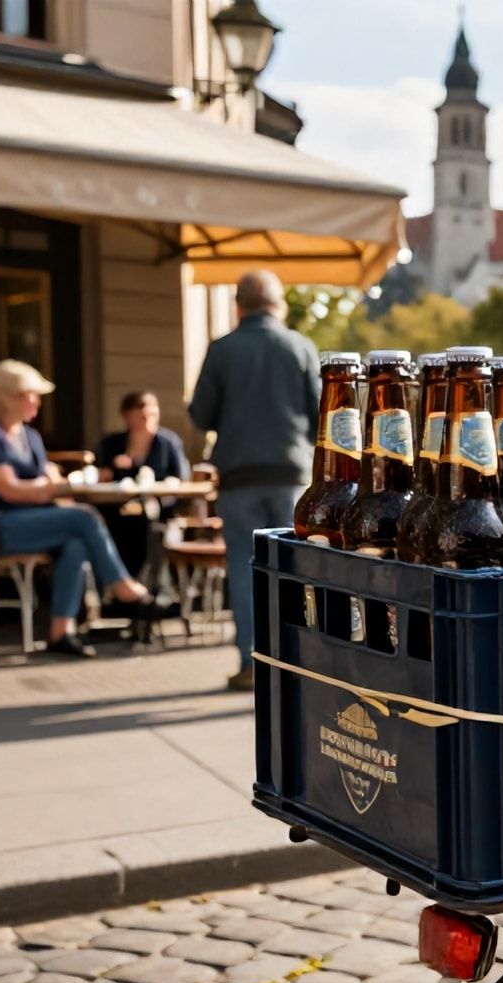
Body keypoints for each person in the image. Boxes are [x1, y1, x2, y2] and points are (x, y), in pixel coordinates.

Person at [0, 361, 168, 657]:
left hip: (21, 523)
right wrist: (57, 488)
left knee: (75, 542)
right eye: (31, 395)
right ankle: (123, 588)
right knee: (84, 518)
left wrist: (57, 487)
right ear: (8, 396)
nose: (37, 402)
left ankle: (61, 632)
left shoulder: (30, 437)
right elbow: (9, 490)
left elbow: (46, 483)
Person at [189, 270, 319, 692]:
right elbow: (322, 416)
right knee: (294, 571)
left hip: (239, 477)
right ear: (278, 305)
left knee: (245, 569)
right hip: (292, 476)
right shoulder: (301, 347)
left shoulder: (222, 349)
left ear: (239, 305)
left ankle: (251, 663)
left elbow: (200, 416)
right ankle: (297, 662)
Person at [96, 390, 190, 577]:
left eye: (152, 415)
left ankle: (146, 586)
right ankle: (119, 583)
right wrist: (113, 468)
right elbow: (99, 474)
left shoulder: (167, 443)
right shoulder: (112, 444)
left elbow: (181, 477)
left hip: (158, 509)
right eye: (140, 416)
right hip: (117, 508)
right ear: (126, 416)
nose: (147, 421)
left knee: (149, 527)